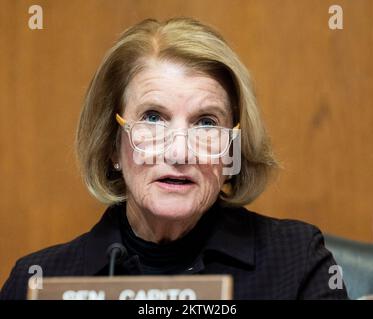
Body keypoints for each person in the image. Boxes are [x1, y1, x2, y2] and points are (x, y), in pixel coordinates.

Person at [0, 17, 347, 300]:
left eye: (206, 123)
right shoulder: (38, 281)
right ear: (111, 144)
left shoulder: (297, 262)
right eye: (153, 118)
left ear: (232, 149)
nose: (179, 153)